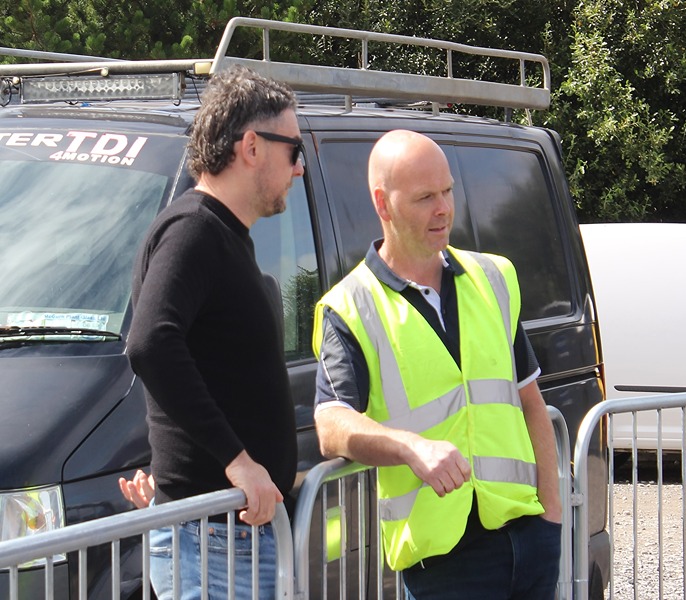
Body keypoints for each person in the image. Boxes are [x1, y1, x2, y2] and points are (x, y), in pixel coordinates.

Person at [312, 130, 562, 600]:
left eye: (447, 191)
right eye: (425, 197)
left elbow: (531, 402)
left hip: (529, 539)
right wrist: (411, 447)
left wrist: (552, 517)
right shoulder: (350, 306)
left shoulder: (494, 277)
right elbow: (331, 424)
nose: (444, 208)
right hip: (443, 565)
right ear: (383, 204)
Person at [124, 64, 302, 599]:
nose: (299, 168)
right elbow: (151, 343)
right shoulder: (193, 230)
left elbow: (207, 365)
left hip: (224, 535)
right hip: (214, 541)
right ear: (252, 146)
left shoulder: (220, 235)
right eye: (293, 150)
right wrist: (238, 462)